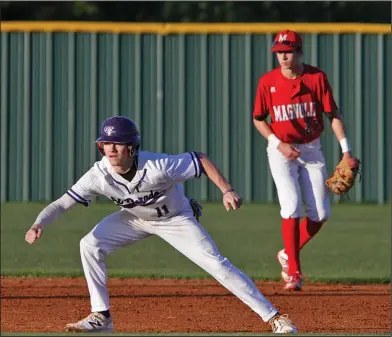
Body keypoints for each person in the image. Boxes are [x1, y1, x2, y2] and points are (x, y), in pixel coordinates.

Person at [25, 116, 297, 333]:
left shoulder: (157, 166)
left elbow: (199, 159)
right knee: (89, 244)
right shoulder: (98, 175)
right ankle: (101, 316)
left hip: (174, 219)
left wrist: (226, 190)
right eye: (105, 143)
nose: (110, 149)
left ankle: (274, 317)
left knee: (216, 263)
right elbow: (62, 203)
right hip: (134, 219)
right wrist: (39, 223)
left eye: (116, 143)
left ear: (131, 147)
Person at [252, 30, 355, 291]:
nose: (283, 56)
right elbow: (258, 118)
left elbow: (333, 114)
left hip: (311, 149)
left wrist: (346, 151)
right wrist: (279, 144)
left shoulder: (316, 78)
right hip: (280, 150)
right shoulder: (268, 82)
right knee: (291, 206)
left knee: (320, 213)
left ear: (299, 51)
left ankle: (287, 254)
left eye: (288, 51)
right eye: (279, 52)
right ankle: (294, 273)